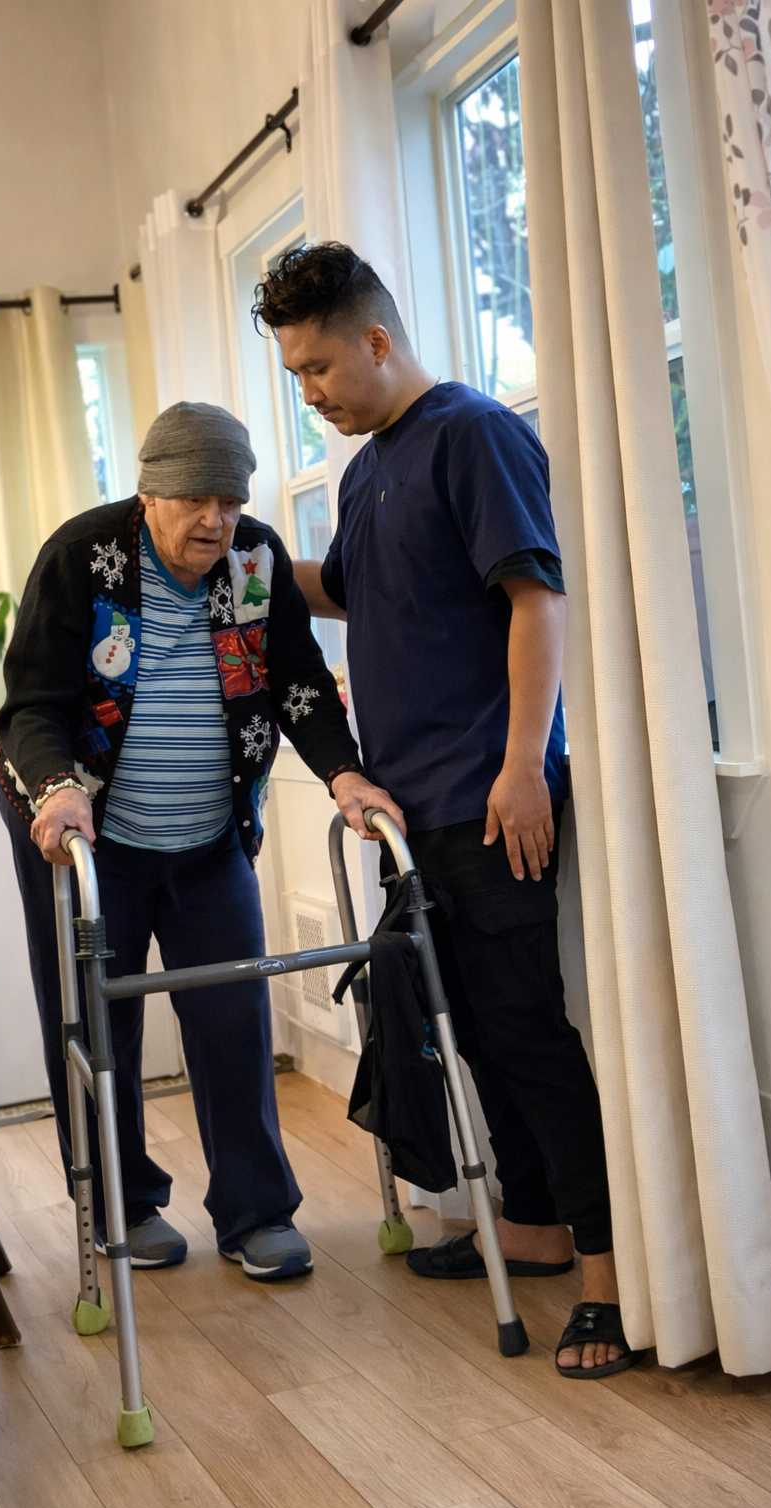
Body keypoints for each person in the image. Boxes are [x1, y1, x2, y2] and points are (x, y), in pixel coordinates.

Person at [251, 244, 639, 1376]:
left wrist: (523, 765)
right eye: (294, 375)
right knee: (467, 1028)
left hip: (485, 798)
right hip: (406, 810)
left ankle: (607, 1288)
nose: (310, 391)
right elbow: (350, 591)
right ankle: (535, 1232)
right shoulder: (369, 469)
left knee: (523, 1030)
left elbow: (536, 593)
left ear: (376, 340)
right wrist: (249, 546)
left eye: (320, 366)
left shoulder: (470, 433)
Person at [0, 400, 401, 1279]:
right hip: (87, 833)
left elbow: (299, 687)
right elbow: (31, 703)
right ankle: (121, 1203)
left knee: (232, 1016)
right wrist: (59, 791)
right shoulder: (84, 558)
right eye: (193, 500)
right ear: (149, 495)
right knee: (100, 1021)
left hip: (209, 833)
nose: (214, 519)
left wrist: (345, 774)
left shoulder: (254, 559)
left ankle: (256, 1213)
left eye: (228, 498)